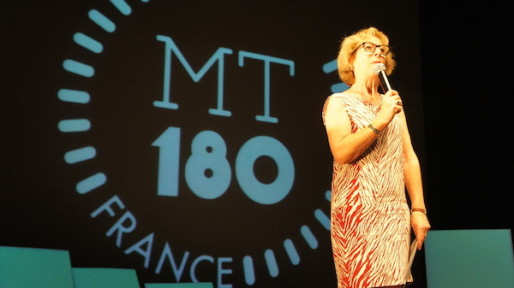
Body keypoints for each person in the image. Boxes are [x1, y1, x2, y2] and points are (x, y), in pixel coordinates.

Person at [322, 26, 431, 288]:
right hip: (357, 214)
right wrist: (380, 119)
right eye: (368, 48)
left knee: (395, 283)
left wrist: (418, 209)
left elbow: (408, 159)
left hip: (394, 214)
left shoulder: (392, 104)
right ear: (351, 60)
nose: (378, 54)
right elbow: (342, 152)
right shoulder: (339, 102)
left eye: (382, 50)